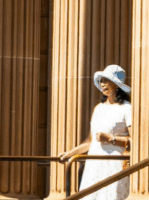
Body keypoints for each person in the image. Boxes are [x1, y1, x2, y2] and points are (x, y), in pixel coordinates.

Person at [52, 65, 132, 200]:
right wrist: (69, 154)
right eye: (101, 80)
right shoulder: (98, 108)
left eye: (107, 80)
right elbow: (90, 141)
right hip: (93, 165)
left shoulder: (126, 108)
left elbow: (136, 141)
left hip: (114, 165)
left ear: (117, 84)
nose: (103, 84)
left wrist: (111, 139)